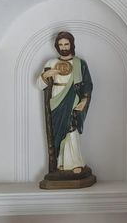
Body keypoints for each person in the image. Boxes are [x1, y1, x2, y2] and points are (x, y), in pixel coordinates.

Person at [36, 31, 93, 177]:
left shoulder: (80, 63)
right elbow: (39, 85)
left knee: (71, 130)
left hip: (72, 99)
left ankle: (76, 163)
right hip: (56, 101)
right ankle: (61, 163)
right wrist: (46, 75)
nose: (63, 47)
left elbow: (87, 84)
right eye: (60, 45)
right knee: (58, 133)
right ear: (57, 46)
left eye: (66, 44)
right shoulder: (50, 63)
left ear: (71, 44)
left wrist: (84, 100)